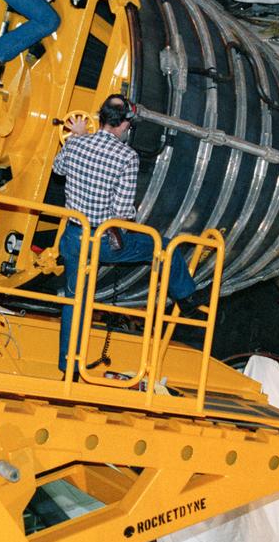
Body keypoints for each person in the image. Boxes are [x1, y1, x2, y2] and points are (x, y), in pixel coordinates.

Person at [53, 93, 197, 373]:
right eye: (128, 126)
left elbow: (58, 170)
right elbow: (121, 211)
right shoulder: (126, 156)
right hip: (103, 241)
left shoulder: (76, 144)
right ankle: (187, 296)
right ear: (122, 126)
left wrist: (76, 136)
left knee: (76, 300)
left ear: (102, 118)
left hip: (72, 239)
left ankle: (68, 366)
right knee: (165, 247)